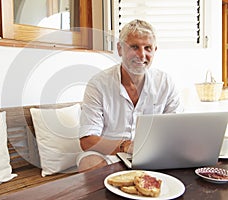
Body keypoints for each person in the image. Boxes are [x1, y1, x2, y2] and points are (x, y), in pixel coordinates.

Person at [76, 19, 183, 172]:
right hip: (107, 153)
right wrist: (125, 146)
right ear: (120, 49)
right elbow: (87, 141)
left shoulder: (165, 82)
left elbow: (177, 129)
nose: (142, 55)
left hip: (152, 155)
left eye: (148, 48)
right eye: (134, 47)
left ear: (154, 50)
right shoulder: (98, 84)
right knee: (89, 163)